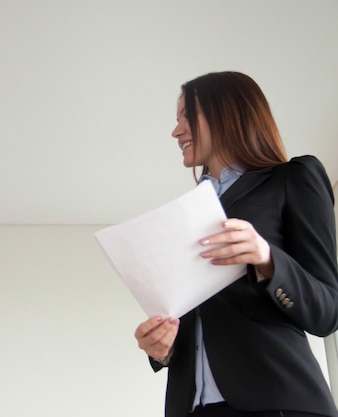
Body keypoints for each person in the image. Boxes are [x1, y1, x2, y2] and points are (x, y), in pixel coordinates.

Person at [134, 71, 338, 417]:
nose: (176, 131)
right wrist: (161, 347)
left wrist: (267, 258)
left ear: (226, 112)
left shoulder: (292, 179)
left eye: (187, 117)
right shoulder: (190, 211)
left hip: (277, 401)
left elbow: (328, 311)